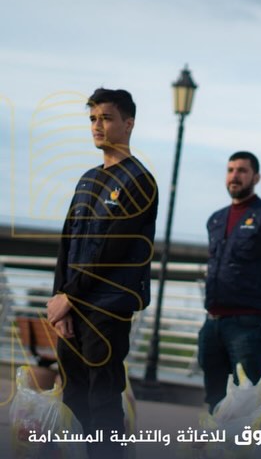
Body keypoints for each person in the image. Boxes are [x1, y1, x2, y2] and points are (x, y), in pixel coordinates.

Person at [47, 88, 158, 459]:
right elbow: (68, 242)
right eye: (93, 119)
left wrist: (70, 296)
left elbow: (113, 250)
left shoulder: (139, 181)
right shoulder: (87, 179)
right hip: (73, 306)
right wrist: (59, 300)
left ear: (128, 124)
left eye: (106, 118)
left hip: (107, 308)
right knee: (73, 396)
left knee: (102, 399)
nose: (97, 126)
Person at [198, 151, 261, 412]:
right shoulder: (216, 219)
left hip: (249, 326)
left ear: (256, 177)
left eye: (242, 171)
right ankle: (215, 439)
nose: (235, 176)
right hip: (213, 323)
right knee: (214, 401)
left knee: (246, 403)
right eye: (230, 170)